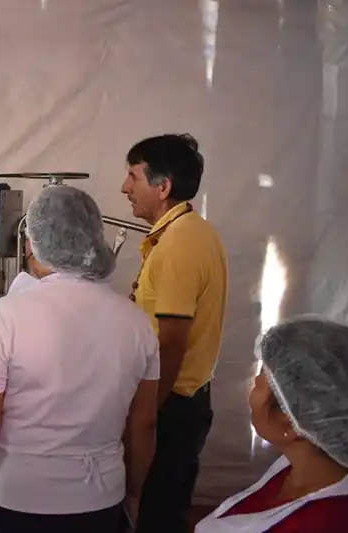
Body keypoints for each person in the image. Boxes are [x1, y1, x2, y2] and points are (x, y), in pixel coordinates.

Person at [0, 185, 160, 533]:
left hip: (13, 500)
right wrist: (134, 492)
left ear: (32, 245)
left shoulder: (5, 315)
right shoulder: (138, 322)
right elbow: (144, 424)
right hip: (99, 500)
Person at [121, 133, 228, 533]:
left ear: (162, 187)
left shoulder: (179, 244)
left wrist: (146, 415)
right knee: (165, 507)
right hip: (183, 400)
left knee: (156, 513)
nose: (125, 188)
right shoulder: (191, 231)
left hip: (171, 405)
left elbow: (171, 342)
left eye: (133, 176)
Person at [196, 317, 348, 532]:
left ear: (292, 424)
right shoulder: (306, 464)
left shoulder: (312, 523)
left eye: (264, 376)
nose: (255, 382)